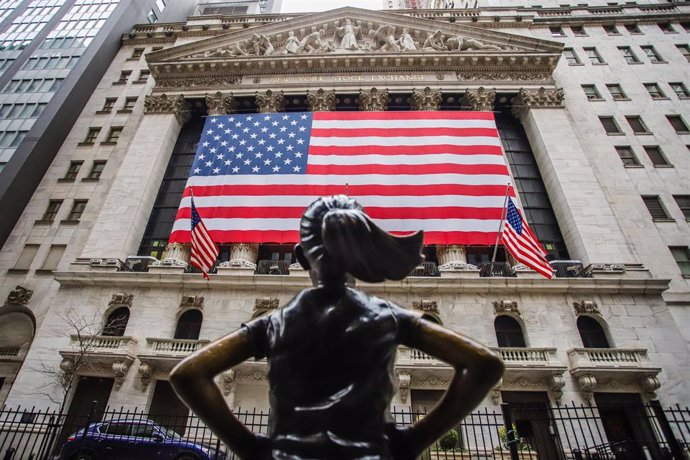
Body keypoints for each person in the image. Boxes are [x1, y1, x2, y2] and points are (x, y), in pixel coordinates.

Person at [170, 195, 504, 460]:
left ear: (301, 258)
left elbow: (188, 374)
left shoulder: (276, 322)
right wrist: (413, 441)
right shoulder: (388, 316)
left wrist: (247, 446)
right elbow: (485, 364)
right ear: (360, 253)